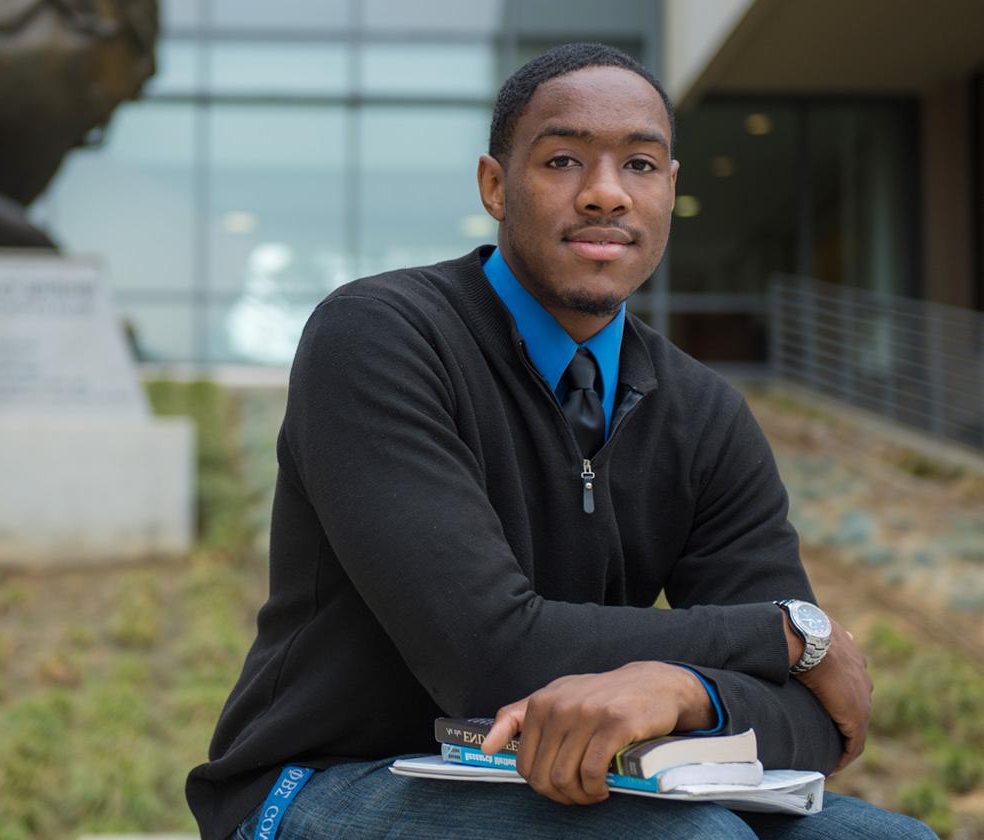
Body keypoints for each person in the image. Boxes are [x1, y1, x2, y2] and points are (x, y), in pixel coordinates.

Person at [185, 43, 936, 839]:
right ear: (495, 185)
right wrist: (778, 635)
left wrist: (686, 692)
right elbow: (488, 657)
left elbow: (817, 724)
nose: (606, 194)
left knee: (887, 838)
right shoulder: (380, 338)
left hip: (561, 776)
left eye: (640, 165)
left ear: (670, 190)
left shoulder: (704, 412)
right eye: (565, 159)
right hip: (320, 784)